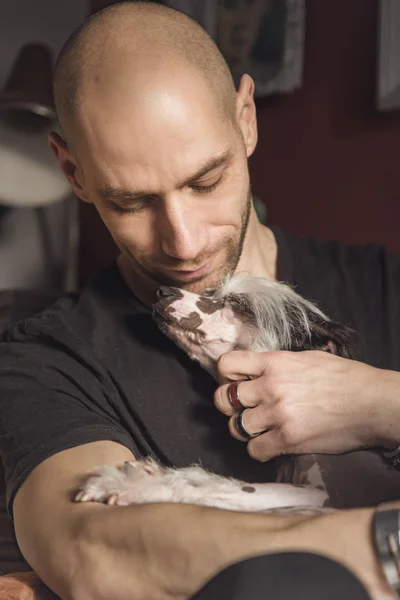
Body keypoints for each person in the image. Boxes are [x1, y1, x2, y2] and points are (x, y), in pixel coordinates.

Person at [1, 2, 400, 599]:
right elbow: (96, 552)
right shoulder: (45, 362)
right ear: (72, 171)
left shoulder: (386, 284)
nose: (183, 243)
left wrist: (378, 400)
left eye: (205, 182)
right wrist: (386, 547)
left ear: (246, 120)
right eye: (131, 203)